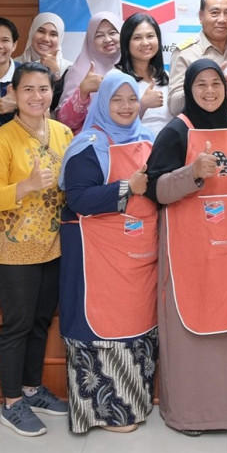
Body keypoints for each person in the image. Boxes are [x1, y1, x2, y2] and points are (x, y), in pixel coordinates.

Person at [146, 59, 227, 435]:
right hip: (189, 250)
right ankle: (189, 414)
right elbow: (155, 190)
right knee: (189, 329)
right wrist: (192, 173)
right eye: (200, 85)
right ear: (189, 90)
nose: (209, 91)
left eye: (216, 84)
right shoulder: (177, 131)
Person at [58, 71, 158, 433]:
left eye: (132, 99)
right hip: (98, 256)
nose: (126, 107)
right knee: (101, 325)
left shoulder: (148, 138)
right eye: (117, 99)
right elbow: (78, 198)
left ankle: (133, 406)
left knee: (137, 323)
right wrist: (126, 187)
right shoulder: (88, 144)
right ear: (103, 103)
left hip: (139, 254)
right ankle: (103, 413)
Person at [0, 61, 73, 437]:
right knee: (17, 325)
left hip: (52, 245)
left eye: (43, 89)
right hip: (12, 248)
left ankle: (32, 390)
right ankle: (11, 402)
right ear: (14, 94)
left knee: (40, 321)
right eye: (28, 89)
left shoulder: (63, 131)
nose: (37, 96)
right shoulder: (1, 139)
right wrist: (26, 185)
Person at [167, 0, 227, 116]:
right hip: (200, 126)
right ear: (201, 16)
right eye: (215, 13)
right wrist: (206, 86)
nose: (222, 19)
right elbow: (174, 106)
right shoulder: (185, 53)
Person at [57, 11, 121, 133]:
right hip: (91, 140)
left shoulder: (132, 65)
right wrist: (82, 92)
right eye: (99, 35)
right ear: (90, 40)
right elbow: (65, 123)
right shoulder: (79, 71)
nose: (107, 39)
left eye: (112, 33)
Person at [115, 13, 172, 135]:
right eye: (137, 38)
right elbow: (112, 124)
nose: (145, 43)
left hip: (169, 144)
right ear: (126, 42)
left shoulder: (167, 76)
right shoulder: (116, 77)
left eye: (150, 36)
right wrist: (142, 105)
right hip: (135, 144)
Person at [20, 12, 72, 109]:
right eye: (41, 31)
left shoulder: (69, 69)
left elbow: (63, 108)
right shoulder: (15, 65)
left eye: (53, 34)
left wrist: (56, 74)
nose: (46, 39)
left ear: (60, 38)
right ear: (32, 32)